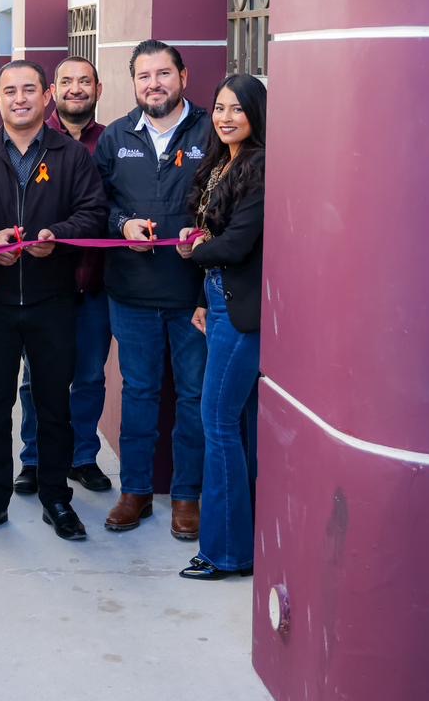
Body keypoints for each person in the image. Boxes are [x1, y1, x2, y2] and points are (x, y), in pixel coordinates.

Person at [0, 60, 109, 542]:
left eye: (28, 90)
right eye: (9, 91)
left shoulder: (72, 155)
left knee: (53, 406)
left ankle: (56, 498)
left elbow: (93, 212)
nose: (19, 99)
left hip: (53, 300)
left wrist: (55, 236)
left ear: (46, 98)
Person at [94, 39, 210, 539]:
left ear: (183, 76)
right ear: (133, 83)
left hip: (194, 297)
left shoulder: (211, 129)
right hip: (132, 293)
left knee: (194, 397)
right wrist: (122, 224)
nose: (154, 84)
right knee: (139, 393)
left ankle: (187, 496)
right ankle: (136, 491)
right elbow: (97, 204)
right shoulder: (116, 136)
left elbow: (231, 198)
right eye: (144, 76)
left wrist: (204, 235)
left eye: (163, 73)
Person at [175, 74, 266, 580]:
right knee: (235, 423)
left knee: (218, 422)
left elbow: (236, 244)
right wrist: (200, 297)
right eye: (219, 108)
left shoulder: (261, 165)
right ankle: (241, 544)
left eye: (237, 108)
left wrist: (193, 250)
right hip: (217, 297)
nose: (226, 117)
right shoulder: (220, 163)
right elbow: (212, 238)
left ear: (256, 113)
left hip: (241, 309)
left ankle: (225, 553)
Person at [15, 56, 115, 498]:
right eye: (67, 81)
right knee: (36, 377)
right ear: (53, 91)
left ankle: (82, 457)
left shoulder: (112, 142)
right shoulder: (33, 139)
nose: (77, 89)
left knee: (89, 376)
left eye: (85, 81)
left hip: (94, 283)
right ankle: (34, 459)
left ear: (98, 89)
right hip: (42, 282)